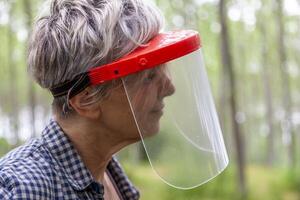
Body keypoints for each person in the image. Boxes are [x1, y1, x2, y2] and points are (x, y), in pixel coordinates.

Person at [0, 0, 169, 199]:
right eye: (148, 77)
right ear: (86, 99)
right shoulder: (20, 190)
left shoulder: (107, 173)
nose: (169, 89)